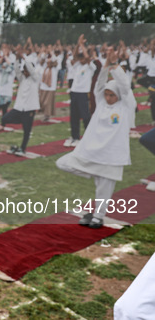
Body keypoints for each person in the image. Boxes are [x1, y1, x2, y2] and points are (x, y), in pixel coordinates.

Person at [56, 48, 136, 228]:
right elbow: (99, 85)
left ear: (119, 96)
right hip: (91, 152)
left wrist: (115, 66)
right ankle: (93, 179)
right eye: (106, 94)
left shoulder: (125, 106)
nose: (108, 98)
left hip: (111, 156)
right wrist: (106, 66)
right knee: (62, 162)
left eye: (112, 95)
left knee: (104, 190)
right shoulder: (101, 103)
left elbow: (124, 86)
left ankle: (98, 217)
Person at [1, 53, 40, 156]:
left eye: (27, 70)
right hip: (19, 107)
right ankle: (22, 121)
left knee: (27, 131)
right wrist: (18, 59)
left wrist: (25, 58)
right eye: (24, 70)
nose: (25, 72)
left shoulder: (35, 78)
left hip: (29, 108)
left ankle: (22, 148)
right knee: (4, 119)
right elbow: (16, 69)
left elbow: (31, 70)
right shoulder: (22, 78)